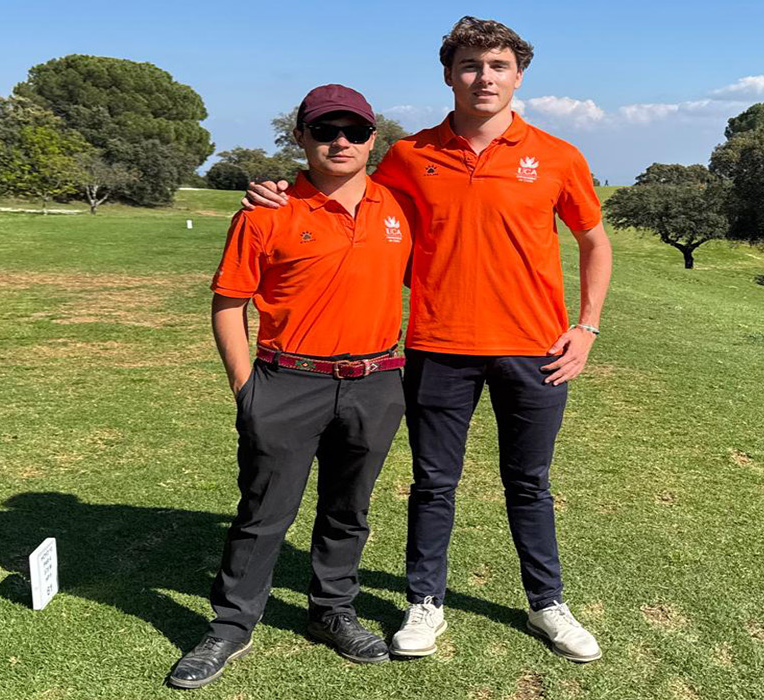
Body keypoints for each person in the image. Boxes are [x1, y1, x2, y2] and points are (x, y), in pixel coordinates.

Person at [246, 16, 613, 663]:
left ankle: (546, 603)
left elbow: (593, 241)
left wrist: (586, 326)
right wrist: (278, 191)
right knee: (434, 484)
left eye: (497, 65)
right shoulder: (412, 157)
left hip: (535, 351)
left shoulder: (557, 156)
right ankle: (426, 603)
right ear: (449, 75)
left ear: (518, 75)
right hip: (439, 348)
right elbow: (347, 187)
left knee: (528, 481)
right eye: (470, 65)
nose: (484, 77)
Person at [167, 84, 413, 690]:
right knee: (263, 512)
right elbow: (229, 305)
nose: (340, 142)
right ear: (300, 137)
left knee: (348, 509)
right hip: (287, 379)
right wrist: (245, 387)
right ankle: (231, 625)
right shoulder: (265, 212)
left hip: (377, 380)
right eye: (325, 130)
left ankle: (333, 610)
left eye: (354, 132)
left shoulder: (400, 206)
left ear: (372, 140)